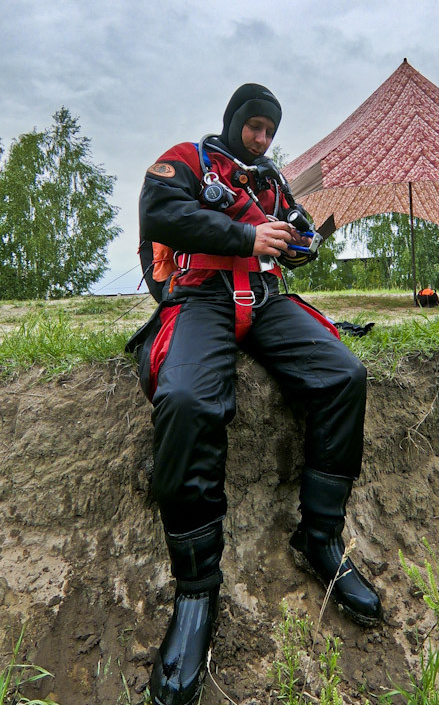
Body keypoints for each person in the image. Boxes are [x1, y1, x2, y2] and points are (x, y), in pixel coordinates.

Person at [127, 83, 382, 705]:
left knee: (344, 376)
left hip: (263, 299)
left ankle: (318, 538)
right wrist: (244, 238)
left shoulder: (271, 179)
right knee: (187, 400)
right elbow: (159, 212)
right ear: (235, 120)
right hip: (200, 293)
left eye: (270, 130)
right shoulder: (189, 159)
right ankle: (195, 593)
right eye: (255, 127)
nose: (263, 139)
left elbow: (299, 244)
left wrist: (298, 242)